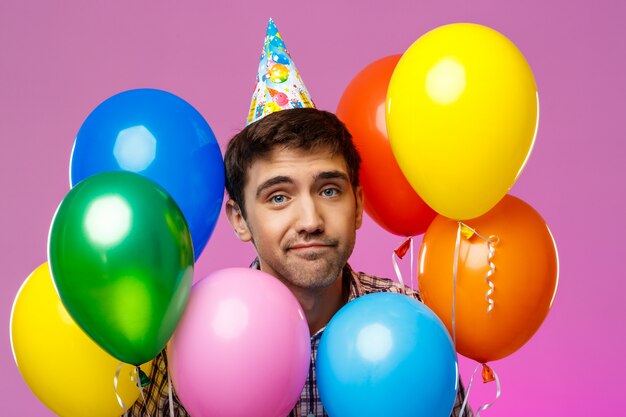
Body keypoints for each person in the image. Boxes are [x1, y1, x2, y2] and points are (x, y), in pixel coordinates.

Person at [126, 108, 472, 417]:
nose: (310, 220)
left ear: (359, 204)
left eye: (329, 191)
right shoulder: (190, 331)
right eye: (278, 197)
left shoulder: (413, 320)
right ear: (239, 220)